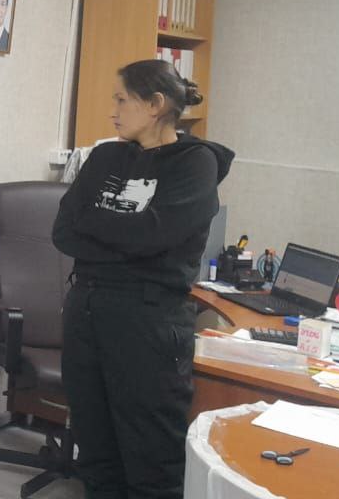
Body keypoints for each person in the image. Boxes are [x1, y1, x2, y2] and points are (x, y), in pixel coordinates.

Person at [52, 59, 233, 499]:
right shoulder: (106, 156)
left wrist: (99, 226)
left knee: (151, 461)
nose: (112, 110)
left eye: (121, 100)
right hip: (86, 311)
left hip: (148, 322)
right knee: (95, 455)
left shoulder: (195, 164)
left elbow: (155, 235)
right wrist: (130, 239)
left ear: (154, 105)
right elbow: (64, 231)